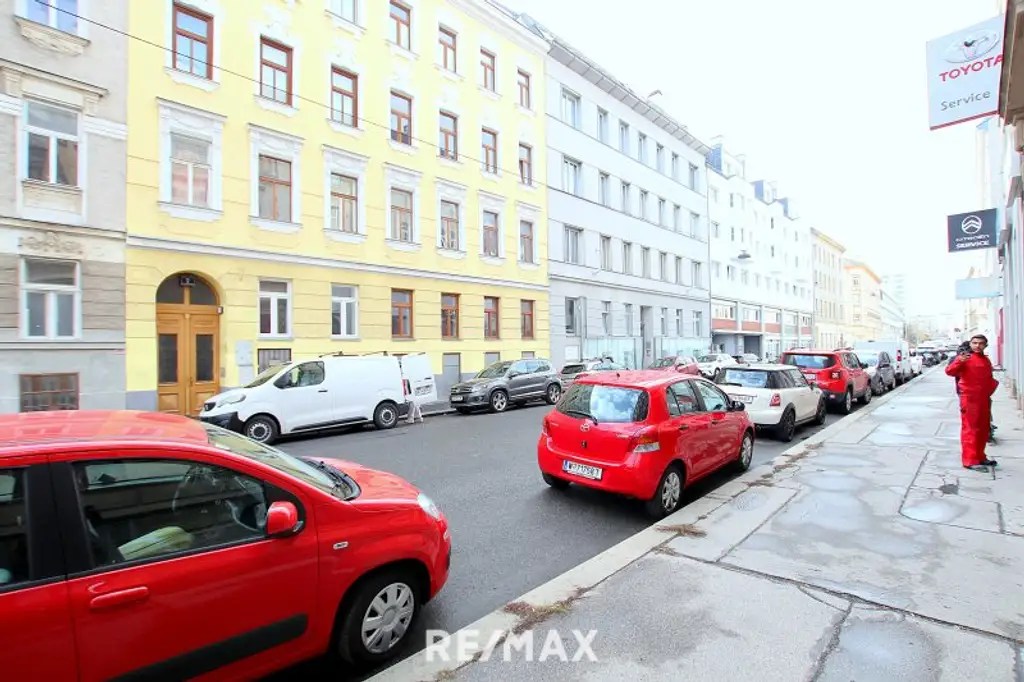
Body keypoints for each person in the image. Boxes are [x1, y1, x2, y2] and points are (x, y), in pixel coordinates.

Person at [945, 335, 999, 470]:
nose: (977, 346)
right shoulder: (965, 358)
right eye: (974, 343)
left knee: (983, 428)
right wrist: (959, 361)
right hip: (969, 398)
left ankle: (980, 456)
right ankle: (970, 460)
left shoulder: (985, 359)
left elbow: (988, 378)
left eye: (981, 343)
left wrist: (990, 390)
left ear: (985, 345)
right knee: (970, 429)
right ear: (970, 344)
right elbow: (949, 371)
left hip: (983, 398)